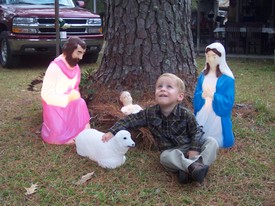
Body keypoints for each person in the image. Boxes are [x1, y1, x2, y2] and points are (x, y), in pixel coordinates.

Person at [102, 73, 219, 184]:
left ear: (180, 96)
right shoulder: (149, 113)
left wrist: (194, 150)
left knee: (212, 142)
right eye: (159, 86)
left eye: (169, 87)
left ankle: (190, 168)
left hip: (189, 145)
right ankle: (192, 168)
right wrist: (112, 131)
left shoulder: (186, 114)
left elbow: (197, 131)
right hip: (172, 152)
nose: (163, 89)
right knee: (164, 158)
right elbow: (129, 120)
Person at [41, 36, 91, 145]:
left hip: (72, 106)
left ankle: (83, 131)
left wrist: (74, 96)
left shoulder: (76, 68)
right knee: (57, 135)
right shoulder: (54, 67)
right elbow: (46, 94)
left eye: (82, 53)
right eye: (78, 53)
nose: (81, 57)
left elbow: (75, 88)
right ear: (68, 50)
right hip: (55, 108)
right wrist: (67, 98)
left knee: (81, 103)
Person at [193, 42, 235, 148]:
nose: (210, 59)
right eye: (208, 56)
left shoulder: (227, 79)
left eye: (214, 56)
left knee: (215, 133)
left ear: (221, 58)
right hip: (203, 109)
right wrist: (202, 95)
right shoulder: (203, 76)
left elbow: (228, 100)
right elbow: (197, 92)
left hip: (216, 113)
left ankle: (215, 142)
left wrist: (213, 96)